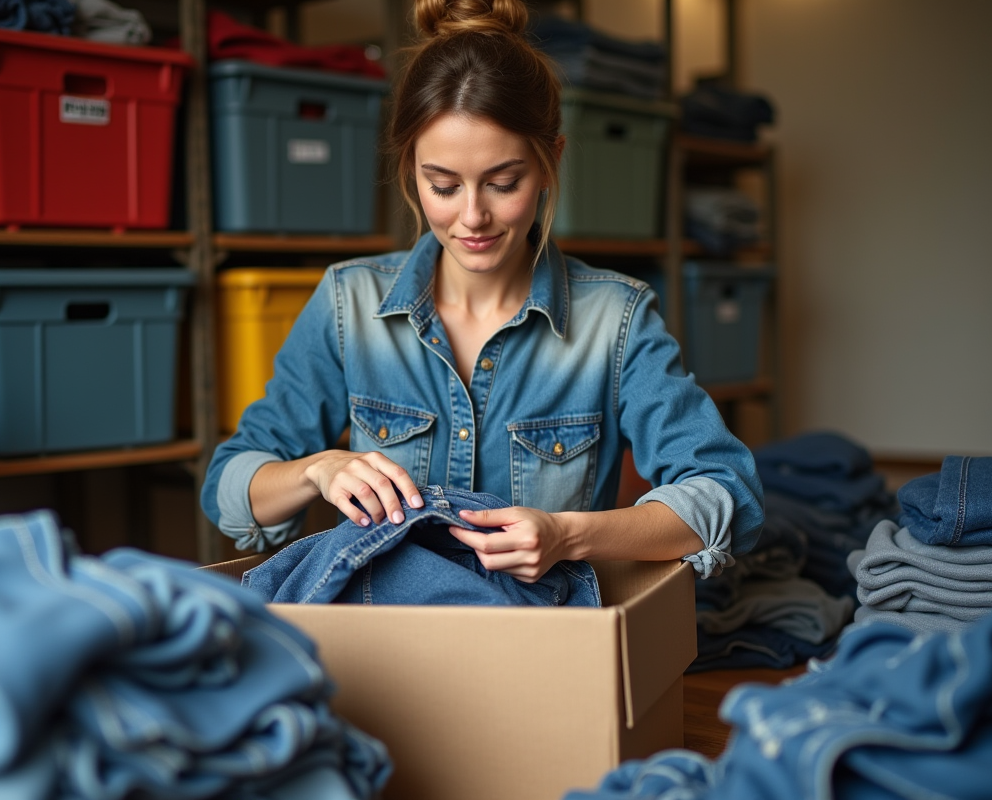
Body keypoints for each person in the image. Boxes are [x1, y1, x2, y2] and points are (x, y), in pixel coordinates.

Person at [202, 0, 763, 583]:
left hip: (539, 640)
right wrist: (317, 470)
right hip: (387, 643)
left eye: (503, 183)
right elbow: (229, 487)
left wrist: (568, 534)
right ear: (411, 171)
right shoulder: (350, 304)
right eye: (443, 185)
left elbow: (727, 494)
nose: (472, 216)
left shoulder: (614, 321)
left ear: (550, 163)